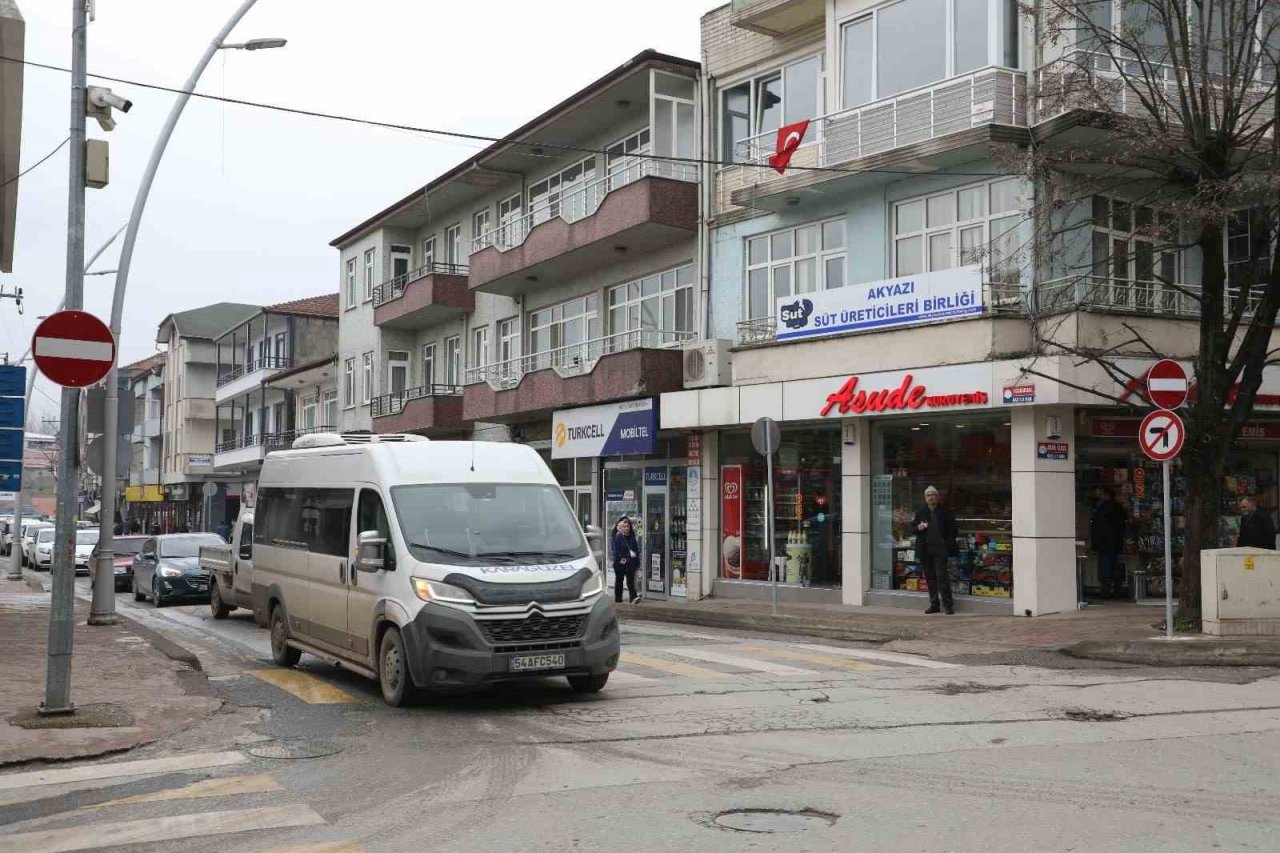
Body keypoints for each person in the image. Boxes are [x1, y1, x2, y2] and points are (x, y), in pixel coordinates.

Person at [912, 485, 958, 614]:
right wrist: (919, 528)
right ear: (925, 498)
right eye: (928, 495)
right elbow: (912, 529)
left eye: (933, 495)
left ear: (937, 497)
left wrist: (946, 544)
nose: (930, 497)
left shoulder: (945, 512)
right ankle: (934, 605)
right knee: (930, 578)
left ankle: (948, 606)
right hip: (925, 549)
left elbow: (953, 530)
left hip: (940, 549)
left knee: (942, 577)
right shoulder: (921, 512)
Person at [1089, 485, 1128, 598]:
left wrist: (1096, 542)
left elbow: (1100, 527)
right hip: (1114, 542)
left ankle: (1106, 591)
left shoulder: (1103, 508)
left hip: (1105, 543)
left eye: (1099, 491)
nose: (1096, 493)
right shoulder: (1116, 507)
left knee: (1105, 568)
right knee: (1113, 566)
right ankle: (1116, 590)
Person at [611, 516, 641, 604]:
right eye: (624, 527)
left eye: (627, 526)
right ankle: (618, 599)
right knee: (619, 581)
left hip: (630, 563)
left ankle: (633, 598)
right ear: (621, 528)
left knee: (630, 581)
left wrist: (637, 563)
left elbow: (636, 551)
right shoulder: (618, 537)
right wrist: (620, 558)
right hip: (619, 563)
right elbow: (615, 550)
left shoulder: (632, 538)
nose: (626, 528)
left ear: (630, 527)